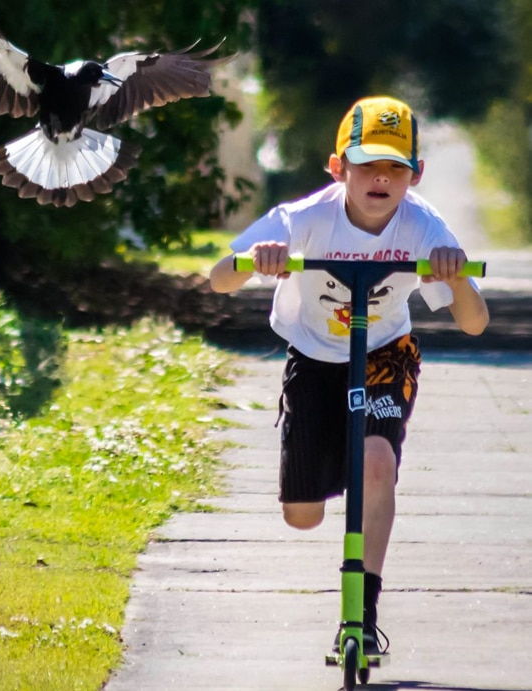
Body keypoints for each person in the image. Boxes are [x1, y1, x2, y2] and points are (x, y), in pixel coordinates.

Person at [209, 95, 489, 654]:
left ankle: (362, 614)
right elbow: (219, 279)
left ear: (416, 175)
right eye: (366, 166)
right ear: (338, 169)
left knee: (379, 463)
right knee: (303, 516)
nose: (380, 179)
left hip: (384, 353)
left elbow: (475, 323)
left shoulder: (423, 226)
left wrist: (457, 279)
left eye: (395, 168)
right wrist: (258, 258)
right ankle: (338, 453)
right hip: (314, 359)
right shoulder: (306, 218)